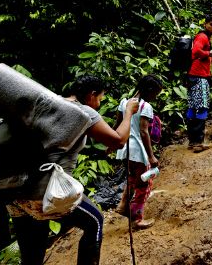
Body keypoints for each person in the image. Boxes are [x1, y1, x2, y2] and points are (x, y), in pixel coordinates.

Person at [9, 75, 139, 265]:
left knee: (31, 256)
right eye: (100, 99)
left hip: (16, 192)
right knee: (94, 221)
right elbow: (119, 140)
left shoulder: (51, 104)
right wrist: (129, 112)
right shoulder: (83, 111)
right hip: (44, 192)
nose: (99, 104)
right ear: (91, 95)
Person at [115, 75, 163, 230]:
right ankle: (136, 219)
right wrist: (151, 155)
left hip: (125, 150)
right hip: (138, 152)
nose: (155, 97)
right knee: (143, 184)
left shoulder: (124, 103)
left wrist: (112, 145)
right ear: (149, 91)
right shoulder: (145, 107)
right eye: (155, 94)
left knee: (131, 178)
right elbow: (144, 132)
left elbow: (117, 125)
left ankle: (123, 205)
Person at [187, 14, 212, 153]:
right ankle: (198, 143)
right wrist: (209, 53)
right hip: (199, 76)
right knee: (202, 107)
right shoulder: (202, 37)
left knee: (193, 107)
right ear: (205, 24)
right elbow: (195, 51)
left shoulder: (204, 36)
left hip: (194, 75)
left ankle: (192, 141)